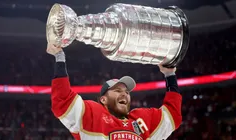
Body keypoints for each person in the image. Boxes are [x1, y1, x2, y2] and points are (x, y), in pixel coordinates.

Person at [47, 44, 182, 140]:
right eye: (117, 90)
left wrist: (169, 74)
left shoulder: (143, 120)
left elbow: (172, 116)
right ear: (103, 99)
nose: (124, 94)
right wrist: (59, 56)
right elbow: (63, 101)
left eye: (127, 92)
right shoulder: (93, 115)